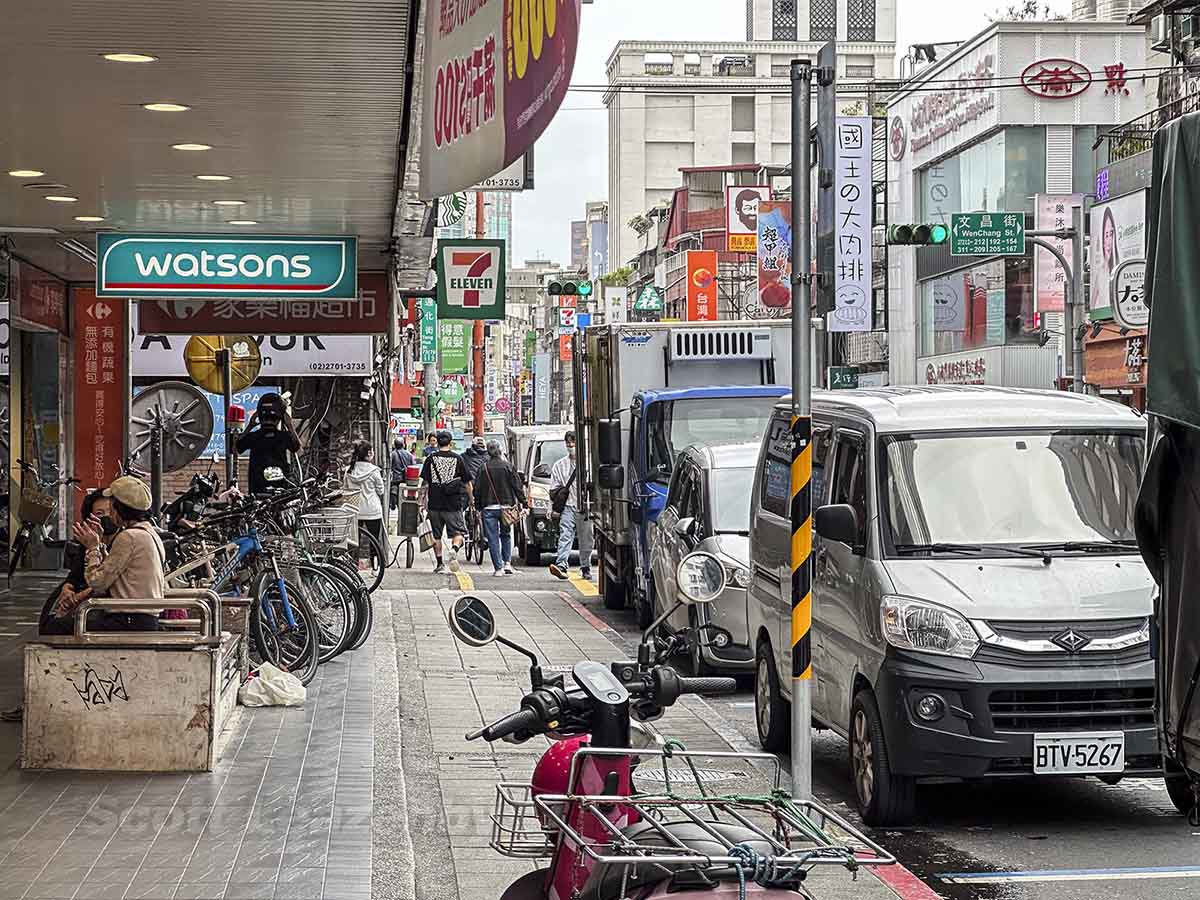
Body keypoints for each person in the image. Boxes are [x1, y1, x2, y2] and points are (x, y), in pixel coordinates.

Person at [73, 476, 169, 605]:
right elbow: (113, 569)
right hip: (141, 613)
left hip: (129, 616)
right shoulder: (149, 532)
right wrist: (101, 544)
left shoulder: (129, 537)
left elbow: (97, 583)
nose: (110, 514)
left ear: (120, 509)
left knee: (59, 624)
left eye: (111, 508)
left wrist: (93, 548)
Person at [419, 430, 473, 573]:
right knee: (458, 532)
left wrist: (421, 501)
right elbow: (467, 483)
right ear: (450, 442)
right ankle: (454, 549)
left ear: (437, 442)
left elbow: (424, 483)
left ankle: (439, 564)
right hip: (453, 504)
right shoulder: (458, 459)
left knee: (436, 535)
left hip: (434, 503)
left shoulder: (430, 459)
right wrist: (471, 499)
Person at [474, 440, 526, 577]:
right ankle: (507, 563)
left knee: (492, 538)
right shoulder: (508, 466)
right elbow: (517, 487)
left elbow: (477, 490)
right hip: (506, 506)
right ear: (500, 451)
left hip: (489, 507)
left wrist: (478, 507)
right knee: (506, 534)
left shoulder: (483, 468)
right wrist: (524, 503)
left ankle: (498, 568)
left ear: (488, 452)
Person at [549, 431, 594, 581]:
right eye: (568, 442)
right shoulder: (559, 465)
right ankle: (561, 565)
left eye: (573, 442)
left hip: (585, 506)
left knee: (586, 538)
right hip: (568, 506)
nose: (570, 445)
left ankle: (585, 567)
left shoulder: (589, 464)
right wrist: (553, 509)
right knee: (565, 535)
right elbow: (554, 491)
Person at [237, 393, 301, 494]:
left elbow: (237, 447)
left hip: (257, 488)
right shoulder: (283, 437)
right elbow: (296, 447)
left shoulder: (254, 437)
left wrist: (250, 426)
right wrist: (290, 425)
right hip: (279, 490)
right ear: (280, 417)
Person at [347, 441, 388, 565]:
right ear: (369, 453)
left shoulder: (349, 470)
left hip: (354, 509)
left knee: (354, 539)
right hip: (372, 510)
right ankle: (374, 564)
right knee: (374, 539)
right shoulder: (374, 471)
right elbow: (381, 491)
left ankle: (353, 564)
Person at [389, 437, 415, 512]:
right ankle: (403, 505)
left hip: (395, 477)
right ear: (403, 444)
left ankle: (394, 503)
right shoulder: (409, 454)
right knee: (404, 493)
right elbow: (413, 465)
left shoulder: (393, 454)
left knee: (394, 489)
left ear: (394, 445)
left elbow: (389, 466)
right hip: (406, 478)